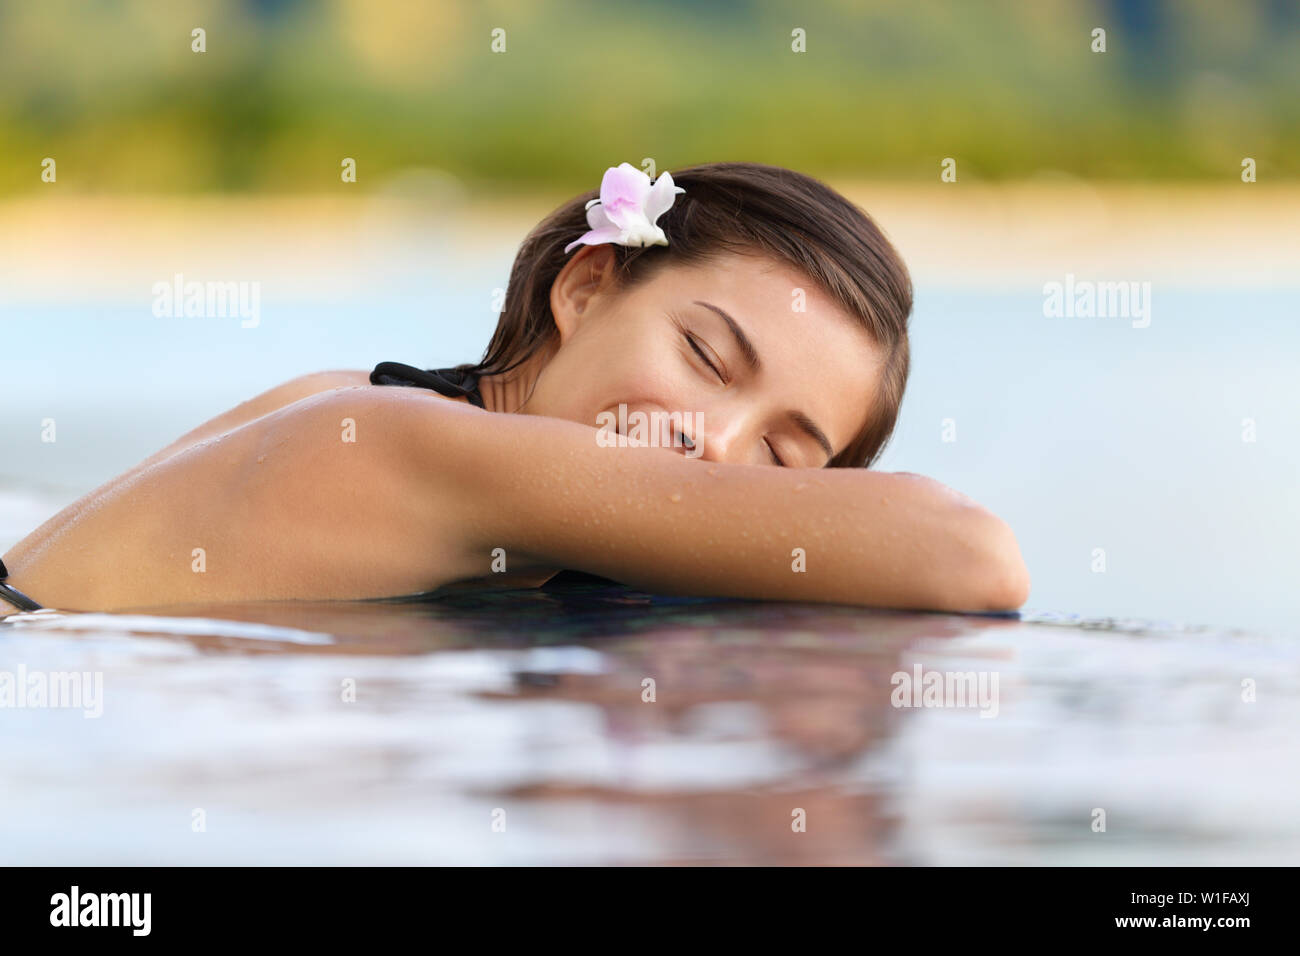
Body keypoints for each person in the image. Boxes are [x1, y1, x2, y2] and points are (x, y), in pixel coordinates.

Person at [0, 161, 1029, 616]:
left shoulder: (352, 394)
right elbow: (970, 554)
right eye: (706, 360)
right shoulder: (401, 439)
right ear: (586, 285)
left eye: (780, 458)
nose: (714, 446)